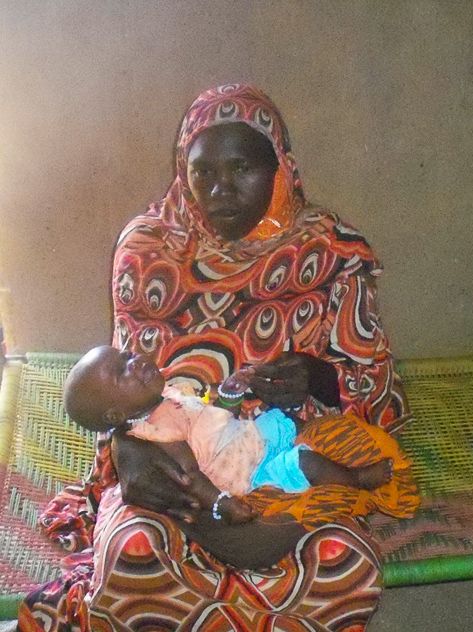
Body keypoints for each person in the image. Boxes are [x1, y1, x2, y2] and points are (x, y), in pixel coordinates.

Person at [21, 85, 416, 631]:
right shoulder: (146, 253)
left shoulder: (329, 253)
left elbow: (376, 386)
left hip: (287, 459)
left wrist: (318, 379)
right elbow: (110, 390)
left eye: (242, 168)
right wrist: (126, 455)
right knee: (134, 548)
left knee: (341, 561)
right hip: (174, 468)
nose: (220, 190)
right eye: (203, 173)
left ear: (279, 169)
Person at [63, 345, 413, 525]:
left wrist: (229, 395)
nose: (135, 361)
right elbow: (190, 475)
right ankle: (355, 479)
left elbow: (211, 421)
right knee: (304, 463)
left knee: (290, 426)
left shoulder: (169, 394)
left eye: (128, 355)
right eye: (122, 371)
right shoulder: (156, 431)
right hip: (242, 474)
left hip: (242, 440)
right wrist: (220, 503)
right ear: (115, 416)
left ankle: (313, 451)